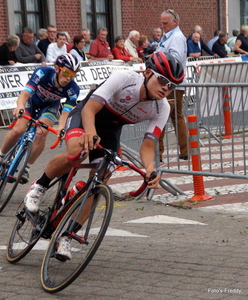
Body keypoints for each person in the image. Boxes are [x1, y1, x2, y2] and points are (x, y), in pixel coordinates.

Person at [23, 52, 184, 259]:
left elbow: (147, 146)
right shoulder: (125, 79)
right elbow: (90, 108)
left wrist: (151, 170)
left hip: (110, 132)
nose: (166, 88)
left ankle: (67, 235)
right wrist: (90, 132)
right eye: (163, 80)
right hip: (87, 116)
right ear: (148, 72)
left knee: (101, 182)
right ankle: (39, 186)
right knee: (77, 153)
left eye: (172, 86)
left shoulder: (162, 108)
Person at [0, 54, 81, 182]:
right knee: (18, 131)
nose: (69, 78)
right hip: (32, 102)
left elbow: (65, 114)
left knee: (42, 133)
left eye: (73, 75)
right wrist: (20, 106)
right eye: (67, 73)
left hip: (50, 107)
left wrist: (62, 127)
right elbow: (24, 95)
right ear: (57, 68)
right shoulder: (42, 73)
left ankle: (26, 167)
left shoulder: (73, 89)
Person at [155, 9, 188, 161]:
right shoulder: (169, 36)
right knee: (176, 117)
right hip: (173, 83)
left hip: (171, 84)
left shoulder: (176, 37)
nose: (162, 26)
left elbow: (174, 59)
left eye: (165, 23)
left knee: (162, 116)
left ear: (175, 22)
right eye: (161, 23)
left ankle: (158, 152)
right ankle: (184, 150)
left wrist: (158, 58)